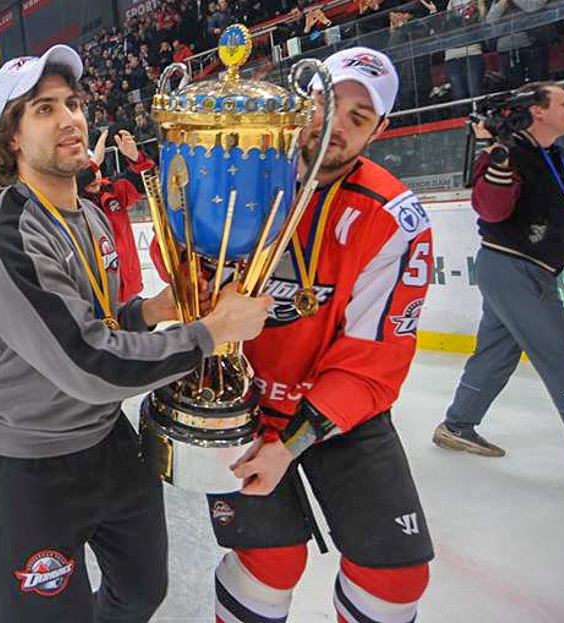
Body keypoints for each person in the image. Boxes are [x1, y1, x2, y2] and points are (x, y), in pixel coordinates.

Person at [0, 44, 272, 623]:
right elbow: (87, 363)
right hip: (33, 466)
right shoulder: (4, 238)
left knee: (142, 589)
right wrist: (210, 331)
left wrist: (151, 310)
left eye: (73, 103)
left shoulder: (92, 215)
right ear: (11, 139)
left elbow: (98, 325)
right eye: (44, 109)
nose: (70, 118)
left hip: (108, 445)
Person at [154, 47, 435, 622]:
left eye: (358, 118)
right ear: (302, 102)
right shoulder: (238, 167)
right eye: (328, 105)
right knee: (270, 564)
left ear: (378, 130)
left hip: (336, 415)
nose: (335, 125)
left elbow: (371, 363)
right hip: (243, 406)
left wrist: (293, 444)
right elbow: (173, 257)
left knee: (396, 576)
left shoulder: (392, 218)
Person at [433, 82, 564, 482]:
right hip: (514, 269)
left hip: (527, 270)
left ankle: (457, 425)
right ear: (538, 111)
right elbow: (490, 210)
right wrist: (499, 154)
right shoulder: (506, 156)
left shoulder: (559, 158)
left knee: (495, 356)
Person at [77, 127, 151, 302]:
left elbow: (145, 183)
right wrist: (94, 162)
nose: (94, 175)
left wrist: (135, 158)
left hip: (131, 287)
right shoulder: (72, 203)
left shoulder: (113, 189)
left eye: (95, 169)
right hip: (98, 296)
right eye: (86, 171)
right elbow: (68, 187)